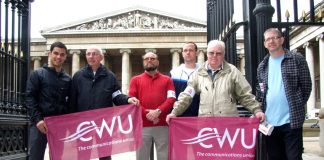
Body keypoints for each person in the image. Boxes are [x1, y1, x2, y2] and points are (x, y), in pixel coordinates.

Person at [166, 40, 265, 123]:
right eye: (211, 53)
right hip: (206, 125)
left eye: (218, 53)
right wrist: (175, 112)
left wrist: (256, 110)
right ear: (207, 54)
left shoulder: (232, 71)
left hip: (227, 124)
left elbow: (245, 95)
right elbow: (187, 96)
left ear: (223, 55)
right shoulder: (198, 73)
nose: (214, 56)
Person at [70, 46, 139, 160]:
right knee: (83, 155)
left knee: (105, 155)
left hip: (103, 124)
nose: (91, 57)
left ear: (101, 57)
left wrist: (127, 99)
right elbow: (72, 100)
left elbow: (116, 96)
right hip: (83, 124)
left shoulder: (110, 76)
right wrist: (72, 122)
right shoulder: (78, 76)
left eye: (94, 54)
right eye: (88, 54)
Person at [256, 28, 312, 160]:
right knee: (275, 157)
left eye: (275, 37)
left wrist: (297, 104)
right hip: (269, 123)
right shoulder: (262, 66)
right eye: (268, 39)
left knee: (294, 157)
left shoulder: (296, 59)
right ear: (265, 44)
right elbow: (260, 91)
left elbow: (306, 86)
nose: (271, 41)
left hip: (291, 121)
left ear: (282, 40)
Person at [26, 41, 71, 160]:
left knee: (57, 157)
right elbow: (30, 98)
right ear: (50, 54)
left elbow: (69, 102)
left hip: (59, 125)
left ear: (65, 56)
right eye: (56, 53)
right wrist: (38, 120)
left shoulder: (67, 79)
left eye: (62, 54)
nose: (58, 57)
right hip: (40, 123)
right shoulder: (37, 74)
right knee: (35, 156)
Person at [128, 52, 176, 160]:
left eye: (152, 58)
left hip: (162, 125)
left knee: (164, 156)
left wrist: (158, 111)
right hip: (142, 125)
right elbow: (133, 102)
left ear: (157, 61)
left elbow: (171, 98)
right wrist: (148, 114)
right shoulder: (135, 80)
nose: (149, 60)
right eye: (146, 59)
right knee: (142, 157)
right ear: (143, 62)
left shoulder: (167, 80)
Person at [169, 42, 200, 116]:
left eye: (191, 50)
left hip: (199, 114)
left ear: (196, 53)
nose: (188, 53)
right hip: (179, 114)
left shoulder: (203, 72)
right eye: (185, 50)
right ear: (182, 53)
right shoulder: (174, 73)